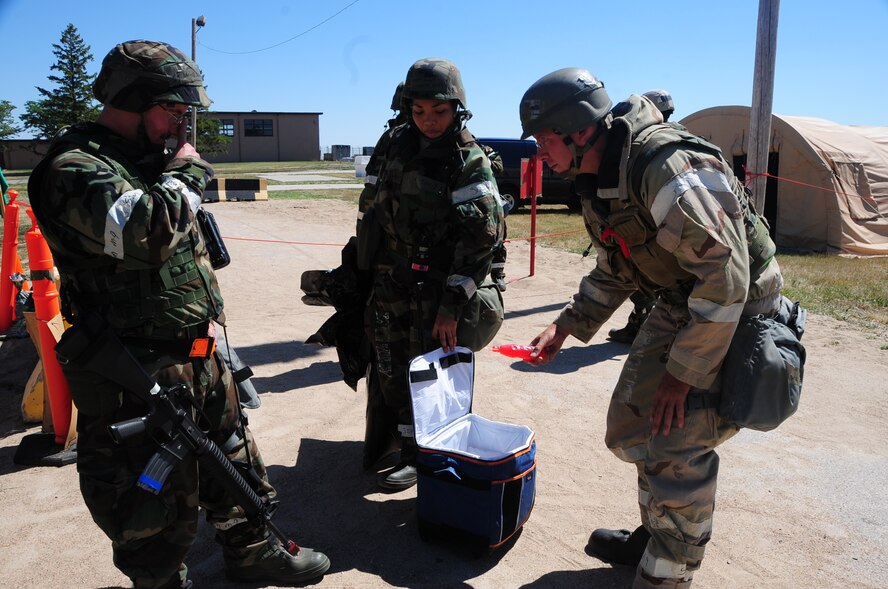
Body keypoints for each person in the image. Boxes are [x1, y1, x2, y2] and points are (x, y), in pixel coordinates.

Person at [26, 40, 329, 588]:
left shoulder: (148, 162)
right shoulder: (76, 169)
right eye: (174, 111)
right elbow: (146, 231)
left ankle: (252, 550)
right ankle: (162, 580)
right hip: (133, 369)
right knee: (150, 496)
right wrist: (187, 177)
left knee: (233, 457)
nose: (183, 128)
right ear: (134, 100)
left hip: (197, 350)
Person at [518, 68, 783, 588]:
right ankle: (656, 535)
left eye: (546, 140)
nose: (540, 153)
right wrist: (568, 324)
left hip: (736, 306)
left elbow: (727, 277)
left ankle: (670, 573)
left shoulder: (663, 169)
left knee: (679, 443)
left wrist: (683, 375)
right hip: (687, 299)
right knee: (636, 424)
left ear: (579, 131)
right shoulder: (602, 177)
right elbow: (619, 261)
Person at [356, 57, 504, 491]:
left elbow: (482, 240)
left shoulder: (467, 158)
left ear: (457, 108)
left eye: (439, 112)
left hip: (437, 284)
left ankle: (430, 452)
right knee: (389, 366)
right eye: (419, 112)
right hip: (391, 277)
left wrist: (450, 306)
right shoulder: (394, 143)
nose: (429, 122)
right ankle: (405, 446)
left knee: (431, 372)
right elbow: (371, 206)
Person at [606, 89, 675, 344]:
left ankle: (642, 327)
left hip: (653, 233)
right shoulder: (670, 138)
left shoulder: (650, 146)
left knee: (647, 279)